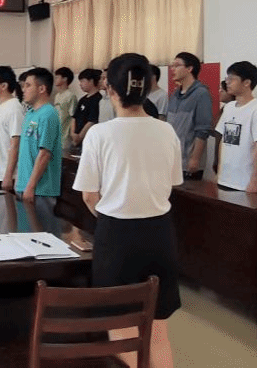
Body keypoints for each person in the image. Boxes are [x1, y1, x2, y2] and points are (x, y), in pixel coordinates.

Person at [73, 53, 182, 368]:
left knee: (121, 329)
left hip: (117, 236)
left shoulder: (100, 134)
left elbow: (89, 196)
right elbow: (171, 184)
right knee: (158, 331)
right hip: (160, 233)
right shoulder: (167, 131)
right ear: (146, 88)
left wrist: (113, 213)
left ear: (110, 89)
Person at [214, 62, 257, 193]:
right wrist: (220, 172)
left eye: (232, 79)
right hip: (225, 178)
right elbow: (223, 140)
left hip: (245, 182)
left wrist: (254, 180)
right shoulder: (228, 107)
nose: (227, 82)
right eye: (227, 78)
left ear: (247, 83)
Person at [15, 68, 63, 210]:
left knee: (40, 224)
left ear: (42, 89)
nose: (23, 89)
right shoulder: (30, 114)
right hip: (23, 185)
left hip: (40, 189)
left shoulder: (48, 114)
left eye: (28, 85)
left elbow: (44, 154)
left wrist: (31, 186)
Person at [166, 52, 212, 180]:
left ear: (189, 68)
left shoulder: (201, 94)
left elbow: (202, 130)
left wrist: (195, 158)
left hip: (189, 163)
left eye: (177, 65)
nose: (172, 69)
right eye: (172, 66)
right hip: (173, 160)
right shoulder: (175, 95)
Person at [70, 69, 103, 149]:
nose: (80, 84)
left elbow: (92, 121)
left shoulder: (98, 99)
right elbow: (74, 118)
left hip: (88, 140)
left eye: (82, 81)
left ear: (91, 81)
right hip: (76, 139)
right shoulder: (82, 99)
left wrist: (79, 137)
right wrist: (73, 133)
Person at [53, 68, 78, 151]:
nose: (55, 79)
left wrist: (72, 134)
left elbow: (73, 117)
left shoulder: (71, 96)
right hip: (56, 134)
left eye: (57, 77)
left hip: (65, 136)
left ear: (65, 79)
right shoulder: (57, 96)